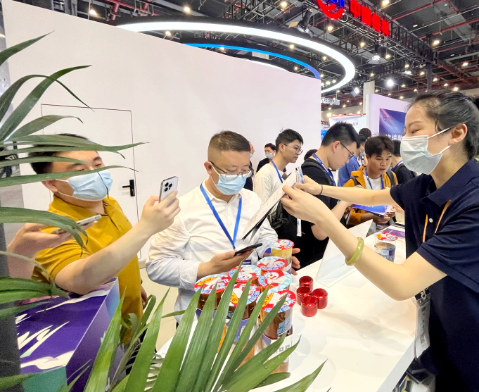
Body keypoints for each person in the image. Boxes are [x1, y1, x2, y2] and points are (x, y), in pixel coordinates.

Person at [281, 92, 479, 392]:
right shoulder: (430, 184)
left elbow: (401, 283)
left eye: (414, 130)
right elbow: (373, 196)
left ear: (456, 133)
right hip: (457, 355)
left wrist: (325, 219)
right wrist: (321, 189)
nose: (406, 140)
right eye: (405, 132)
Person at [28, 134, 180, 320]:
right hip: (100, 332)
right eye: (80, 171)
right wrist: (146, 227)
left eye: (98, 165)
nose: (95, 174)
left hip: (133, 320)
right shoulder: (52, 229)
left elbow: (122, 249)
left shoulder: (110, 203)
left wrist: (134, 283)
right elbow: (80, 280)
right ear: (51, 183)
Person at [146, 131, 297, 317]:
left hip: (249, 306)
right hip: (203, 315)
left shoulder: (252, 199)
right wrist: (207, 269)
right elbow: (157, 266)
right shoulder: (183, 209)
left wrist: (274, 254)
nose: (239, 177)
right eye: (231, 171)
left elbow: (265, 233)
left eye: (244, 170)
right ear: (209, 167)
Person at [296, 122, 359, 268]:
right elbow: (320, 231)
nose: (347, 161)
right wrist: (347, 199)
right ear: (336, 145)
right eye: (349, 154)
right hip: (314, 260)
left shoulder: (322, 170)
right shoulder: (314, 173)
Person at [344, 136, 397, 227]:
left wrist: (394, 211)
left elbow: (396, 203)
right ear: (367, 157)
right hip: (362, 233)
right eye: (379, 159)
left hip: (385, 231)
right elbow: (344, 216)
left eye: (388, 158)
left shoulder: (391, 177)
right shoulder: (354, 182)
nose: (384, 164)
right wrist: (368, 217)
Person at [253, 129, 303, 203]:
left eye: (299, 150)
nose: (298, 153)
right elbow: (261, 208)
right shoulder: (265, 174)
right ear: (282, 147)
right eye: (296, 148)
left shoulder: (281, 173)